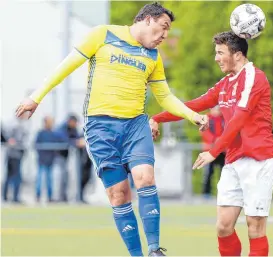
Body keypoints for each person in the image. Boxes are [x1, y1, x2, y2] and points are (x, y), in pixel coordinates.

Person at [15, 2, 207, 256]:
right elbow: (66, 66)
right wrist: (36, 97)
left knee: (145, 178)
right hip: (100, 128)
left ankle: (154, 250)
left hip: (136, 125)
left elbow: (165, 96)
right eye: (163, 28)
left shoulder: (152, 56)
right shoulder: (103, 34)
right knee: (119, 194)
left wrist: (193, 116)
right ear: (147, 19)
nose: (164, 36)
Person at [150, 31, 273, 256]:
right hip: (234, 161)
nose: (216, 58)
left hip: (258, 160)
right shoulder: (225, 83)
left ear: (237, 55)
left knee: (254, 227)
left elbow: (239, 119)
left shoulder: (254, 77)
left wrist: (213, 150)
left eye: (220, 53)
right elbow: (194, 104)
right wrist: (156, 118)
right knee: (223, 226)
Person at [200, 105, 225, 198]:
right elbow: (204, 132)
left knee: (223, 173)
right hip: (209, 151)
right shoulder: (206, 119)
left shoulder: (224, 118)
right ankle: (206, 194)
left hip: (222, 151)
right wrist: (215, 140)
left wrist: (221, 141)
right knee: (208, 173)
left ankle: (223, 193)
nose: (217, 111)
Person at [2, 117, 28, 203]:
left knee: (9, 176)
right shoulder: (17, 126)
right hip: (14, 155)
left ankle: (6, 197)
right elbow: (14, 140)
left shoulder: (12, 125)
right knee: (15, 177)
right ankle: (14, 197)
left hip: (12, 154)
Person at [35, 116, 60, 203]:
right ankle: (38, 196)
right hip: (41, 160)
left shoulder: (53, 134)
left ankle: (50, 197)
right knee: (39, 179)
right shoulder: (40, 133)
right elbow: (36, 145)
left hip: (50, 160)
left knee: (50, 180)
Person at [55, 114, 80, 202]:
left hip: (66, 156)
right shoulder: (61, 128)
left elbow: (77, 137)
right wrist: (76, 142)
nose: (75, 125)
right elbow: (65, 140)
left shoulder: (73, 129)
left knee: (66, 176)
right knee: (60, 176)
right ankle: (59, 197)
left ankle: (64, 197)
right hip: (57, 156)